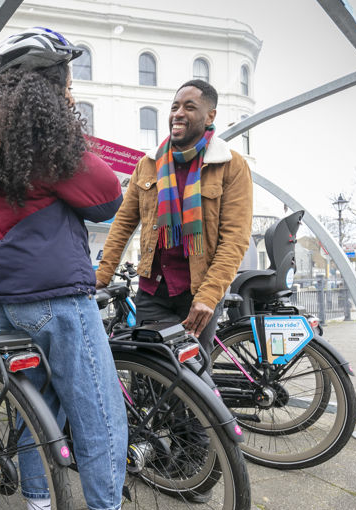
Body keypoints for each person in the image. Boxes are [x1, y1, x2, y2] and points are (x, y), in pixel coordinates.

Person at [0, 27, 180, 510]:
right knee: (100, 413)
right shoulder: (45, 135)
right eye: (67, 80)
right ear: (52, 83)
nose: (71, 89)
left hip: (7, 303)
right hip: (57, 299)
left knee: (35, 418)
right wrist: (70, 128)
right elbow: (106, 195)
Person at [96, 79, 253, 358]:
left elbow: (234, 239)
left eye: (189, 107)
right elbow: (123, 224)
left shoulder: (231, 165)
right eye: (174, 107)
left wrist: (208, 297)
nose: (177, 114)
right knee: (153, 374)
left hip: (198, 294)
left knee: (192, 378)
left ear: (210, 116)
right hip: (153, 291)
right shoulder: (149, 163)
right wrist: (102, 276)